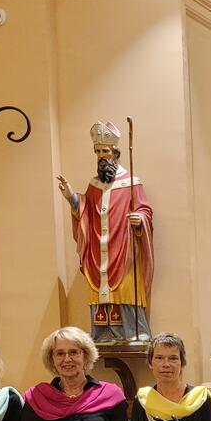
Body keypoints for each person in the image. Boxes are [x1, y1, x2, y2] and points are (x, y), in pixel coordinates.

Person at [55, 120, 155, 343]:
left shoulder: (131, 182)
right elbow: (86, 210)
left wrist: (140, 218)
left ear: (116, 152)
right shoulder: (94, 185)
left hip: (124, 247)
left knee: (127, 288)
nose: (102, 155)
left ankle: (133, 332)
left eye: (105, 151)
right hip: (98, 248)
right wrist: (72, 198)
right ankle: (103, 333)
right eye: (98, 151)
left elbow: (144, 209)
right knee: (99, 286)